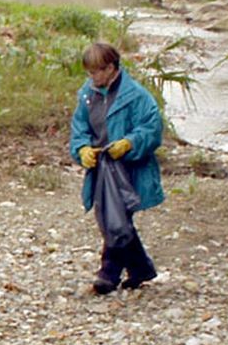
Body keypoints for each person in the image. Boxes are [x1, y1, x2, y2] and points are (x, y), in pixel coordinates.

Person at [70, 42, 164, 294]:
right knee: (112, 217)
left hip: (129, 168)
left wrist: (129, 143)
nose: (92, 77)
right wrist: (82, 149)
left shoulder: (136, 96)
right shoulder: (87, 95)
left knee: (116, 219)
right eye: (89, 72)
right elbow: (79, 129)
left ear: (111, 68)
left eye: (95, 72)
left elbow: (152, 128)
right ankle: (141, 268)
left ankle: (107, 274)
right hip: (102, 166)